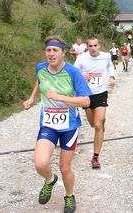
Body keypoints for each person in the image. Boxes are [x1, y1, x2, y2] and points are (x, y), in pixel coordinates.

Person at [23, 35, 92, 213]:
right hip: (48, 125)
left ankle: (69, 196)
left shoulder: (73, 72)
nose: (51, 54)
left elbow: (86, 101)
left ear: (63, 53)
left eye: (55, 50)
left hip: (69, 126)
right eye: (48, 50)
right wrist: (32, 98)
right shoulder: (41, 68)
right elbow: (40, 80)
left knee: (64, 168)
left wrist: (60, 97)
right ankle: (49, 180)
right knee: (40, 163)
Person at [74, 36, 116, 169]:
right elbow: (73, 73)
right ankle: (100, 122)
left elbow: (110, 66)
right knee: (93, 124)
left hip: (101, 93)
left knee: (98, 125)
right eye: (90, 46)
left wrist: (112, 76)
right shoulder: (81, 58)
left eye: (95, 45)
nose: (93, 48)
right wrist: (82, 76)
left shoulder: (106, 56)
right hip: (86, 95)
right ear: (87, 47)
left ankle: (95, 157)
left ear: (99, 45)